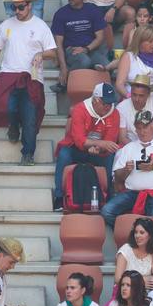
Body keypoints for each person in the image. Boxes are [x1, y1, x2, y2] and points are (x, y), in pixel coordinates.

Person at [0, 0, 55, 166]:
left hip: (32, 78)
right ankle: (14, 126)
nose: (17, 11)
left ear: (30, 5)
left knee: (30, 117)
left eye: (21, 7)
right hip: (9, 74)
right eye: (14, 7)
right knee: (4, 107)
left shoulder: (40, 26)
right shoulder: (7, 24)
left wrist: (41, 54)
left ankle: (28, 154)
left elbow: (52, 52)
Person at [101, 109, 153, 228]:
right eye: (139, 128)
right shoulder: (128, 148)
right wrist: (125, 170)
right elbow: (117, 179)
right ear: (135, 128)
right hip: (132, 193)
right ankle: (134, 234)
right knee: (106, 211)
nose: (142, 131)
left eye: (145, 127)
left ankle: (140, 235)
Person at [53, 82, 121, 211]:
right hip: (76, 148)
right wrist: (99, 144)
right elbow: (79, 140)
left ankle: (109, 196)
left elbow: (110, 140)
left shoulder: (114, 113)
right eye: (105, 103)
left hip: (99, 151)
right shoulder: (80, 109)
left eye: (110, 103)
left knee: (111, 156)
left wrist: (99, 148)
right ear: (96, 100)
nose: (108, 107)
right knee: (64, 154)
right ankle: (59, 197)